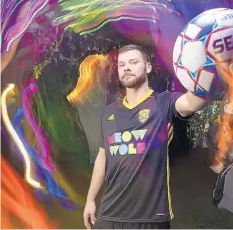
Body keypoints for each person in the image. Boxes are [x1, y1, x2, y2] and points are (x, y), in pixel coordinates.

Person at [83, 44, 206, 229]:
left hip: (149, 218)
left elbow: (193, 102)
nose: (126, 68)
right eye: (122, 64)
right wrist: (91, 199)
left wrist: (210, 69)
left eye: (133, 62)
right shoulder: (109, 113)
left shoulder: (163, 103)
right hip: (109, 215)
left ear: (148, 67)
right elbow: (103, 156)